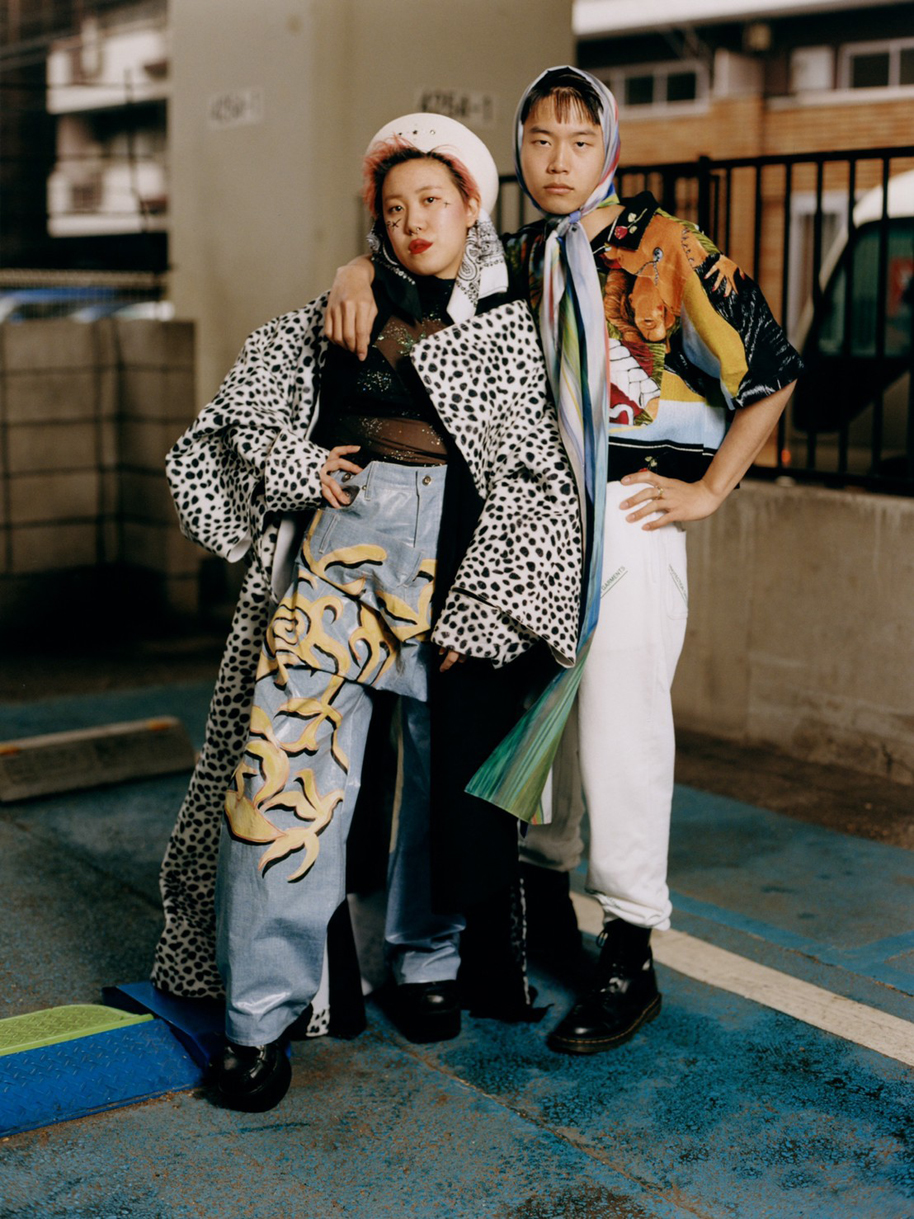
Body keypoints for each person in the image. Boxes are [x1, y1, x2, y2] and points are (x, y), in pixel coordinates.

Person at [325, 67, 803, 1057]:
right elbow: (413, 262)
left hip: (627, 506)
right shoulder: (509, 256)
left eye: (578, 141)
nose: (556, 160)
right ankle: (544, 897)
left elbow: (770, 368)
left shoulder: (665, 243)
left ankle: (629, 949)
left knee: (621, 724)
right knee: (533, 718)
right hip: (533, 513)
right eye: (538, 139)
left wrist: (710, 489)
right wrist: (352, 272)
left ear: (608, 148)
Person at [160, 113, 582, 1111]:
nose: (412, 222)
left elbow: (537, 475)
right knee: (281, 773)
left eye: (431, 200)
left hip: (454, 569)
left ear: (471, 206)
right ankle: (259, 1019)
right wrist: (300, 463)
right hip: (336, 560)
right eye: (393, 209)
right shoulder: (332, 311)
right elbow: (235, 421)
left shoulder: (510, 327)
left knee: (445, 777)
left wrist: (486, 607)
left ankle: (427, 961)